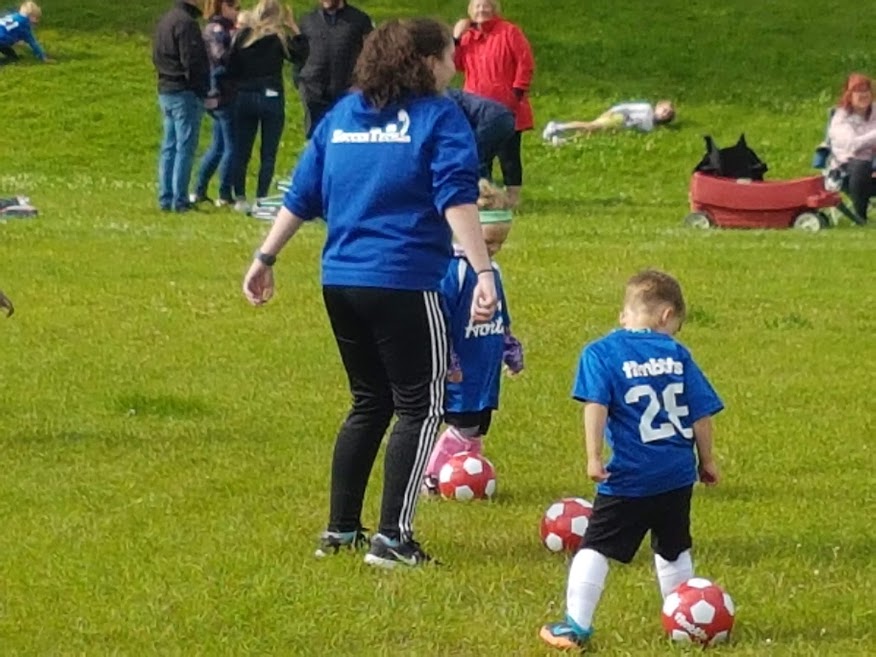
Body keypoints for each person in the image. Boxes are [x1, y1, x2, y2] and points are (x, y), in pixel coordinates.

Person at [242, 18, 498, 568]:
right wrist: (483, 272)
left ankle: (340, 531)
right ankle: (394, 538)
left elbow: (302, 193)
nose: (454, 66)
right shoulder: (439, 116)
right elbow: (456, 196)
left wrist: (266, 257)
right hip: (404, 280)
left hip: (341, 281)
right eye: (450, 56)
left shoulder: (344, 115)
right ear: (425, 62)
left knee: (369, 402)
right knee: (422, 408)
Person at [540, 270, 724, 650]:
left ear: (625, 315)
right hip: (676, 474)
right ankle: (684, 624)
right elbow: (700, 413)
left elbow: (596, 406)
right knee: (673, 548)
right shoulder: (676, 354)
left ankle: (575, 625)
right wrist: (707, 460)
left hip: (630, 475)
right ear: (666, 315)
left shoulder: (601, 352)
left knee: (596, 547)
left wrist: (593, 457)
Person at [422, 179, 523, 494]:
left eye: (499, 244)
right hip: (461, 370)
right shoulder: (454, 271)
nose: (493, 250)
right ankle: (431, 476)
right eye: (488, 242)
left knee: (476, 427)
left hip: (485, 370)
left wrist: (509, 345)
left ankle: (467, 479)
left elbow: (499, 314)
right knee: (463, 427)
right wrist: (448, 358)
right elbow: (439, 318)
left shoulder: (492, 272)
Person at [227, 0, 308, 213]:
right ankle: (261, 197)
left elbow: (230, 67)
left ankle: (240, 196)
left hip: (244, 96)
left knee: (241, 149)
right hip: (270, 96)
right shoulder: (278, 38)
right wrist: (294, 27)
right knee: (268, 152)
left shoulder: (243, 36)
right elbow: (301, 55)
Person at [453, 0, 535, 207]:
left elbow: (525, 63)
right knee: (480, 153)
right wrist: (455, 38)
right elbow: (455, 64)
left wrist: (517, 93)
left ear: (494, 8)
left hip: (507, 105)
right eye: (478, 6)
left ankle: (513, 197)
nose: (482, 10)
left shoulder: (509, 32)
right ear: (471, 11)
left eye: (486, 6)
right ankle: (485, 194)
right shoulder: (468, 37)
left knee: (509, 155)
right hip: (475, 107)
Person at [152, 0, 210, 212]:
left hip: (166, 88)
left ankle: (166, 197)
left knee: (169, 146)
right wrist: (202, 89)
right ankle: (180, 199)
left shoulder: (165, 20)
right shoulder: (186, 23)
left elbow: (156, 55)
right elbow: (192, 61)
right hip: (184, 91)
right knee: (185, 147)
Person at [294, 0, 373, 137]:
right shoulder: (308, 21)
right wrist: (300, 81)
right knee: (315, 137)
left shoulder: (359, 20)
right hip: (313, 91)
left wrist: (363, 82)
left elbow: (370, 53)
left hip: (347, 90)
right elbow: (298, 53)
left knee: (344, 135)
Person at [191, 0, 241, 207]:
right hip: (221, 94)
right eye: (235, 8)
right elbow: (222, 61)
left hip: (215, 94)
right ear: (224, 7)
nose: (238, 12)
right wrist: (237, 39)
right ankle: (224, 193)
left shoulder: (216, 28)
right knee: (232, 146)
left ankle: (199, 189)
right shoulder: (218, 30)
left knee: (218, 146)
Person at [826, 73, 876, 225]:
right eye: (858, 91)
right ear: (849, 95)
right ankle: (860, 218)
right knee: (861, 164)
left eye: (866, 90)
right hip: (847, 171)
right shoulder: (841, 118)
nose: (863, 95)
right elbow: (852, 145)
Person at [446, 89, 516, 183]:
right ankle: (486, 189)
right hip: (505, 117)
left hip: (491, 119)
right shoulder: (448, 94)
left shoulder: (442, 97)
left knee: (473, 158)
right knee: (482, 160)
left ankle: (481, 192)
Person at [542, 100, 676, 145]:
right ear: (658, 106)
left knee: (590, 134)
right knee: (591, 126)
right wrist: (611, 112)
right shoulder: (646, 109)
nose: (664, 114)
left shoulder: (651, 127)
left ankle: (562, 138)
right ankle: (557, 127)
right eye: (664, 110)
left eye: (667, 114)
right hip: (619, 118)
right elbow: (627, 107)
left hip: (621, 128)